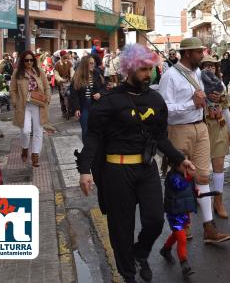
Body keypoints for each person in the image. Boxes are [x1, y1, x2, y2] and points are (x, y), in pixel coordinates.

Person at [77, 43, 195, 283]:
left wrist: (179, 159)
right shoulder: (109, 101)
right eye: (142, 69)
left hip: (146, 169)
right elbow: (93, 137)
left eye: (150, 69)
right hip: (116, 172)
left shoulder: (155, 100)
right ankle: (128, 274)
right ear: (128, 69)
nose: (147, 74)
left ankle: (140, 253)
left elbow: (161, 138)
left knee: (154, 220)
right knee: (122, 228)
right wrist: (84, 170)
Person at [158, 37, 230, 243]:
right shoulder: (170, 77)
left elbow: (202, 99)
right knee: (181, 177)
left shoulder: (198, 73)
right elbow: (165, 111)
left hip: (201, 127)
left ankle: (209, 227)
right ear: (188, 53)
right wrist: (191, 104)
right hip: (179, 130)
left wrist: (211, 100)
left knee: (203, 177)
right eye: (199, 52)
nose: (202, 55)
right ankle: (182, 224)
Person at [199, 56, 230, 219]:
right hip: (202, 129)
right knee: (202, 169)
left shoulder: (221, 86)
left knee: (219, 166)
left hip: (219, 128)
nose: (209, 69)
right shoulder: (196, 84)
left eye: (212, 66)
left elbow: (226, 108)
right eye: (205, 66)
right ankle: (199, 198)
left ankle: (218, 201)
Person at [10, 50, 51, 168]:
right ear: (22, 61)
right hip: (24, 105)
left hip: (39, 104)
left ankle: (35, 155)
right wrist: (14, 101)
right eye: (26, 60)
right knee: (26, 130)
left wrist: (47, 98)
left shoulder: (39, 72)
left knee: (38, 131)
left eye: (31, 60)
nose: (29, 62)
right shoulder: (17, 73)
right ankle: (24, 148)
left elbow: (47, 87)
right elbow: (12, 90)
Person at [158, 163, 197, 276]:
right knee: (182, 239)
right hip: (175, 214)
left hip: (184, 211)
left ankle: (165, 249)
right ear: (174, 164)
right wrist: (190, 177)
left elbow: (189, 190)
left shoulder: (184, 173)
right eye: (183, 164)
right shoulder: (173, 177)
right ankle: (184, 264)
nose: (187, 165)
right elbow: (180, 186)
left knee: (177, 234)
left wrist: (195, 191)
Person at [70, 55, 106, 143]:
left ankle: (96, 150)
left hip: (96, 106)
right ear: (85, 64)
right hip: (84, 107)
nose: (93, 65)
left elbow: (104, 88)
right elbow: (74, 95)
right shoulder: (77, 77)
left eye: (93, 63)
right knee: (85, 130)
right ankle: (87, 151)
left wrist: (100, 94)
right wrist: (76, 109)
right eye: (90, 63)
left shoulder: (97, 74)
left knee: (97, 129)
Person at [54, 51, 74, 119]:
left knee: (70, 96)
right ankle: (64, 112)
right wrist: (61, 80)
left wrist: (71, 77)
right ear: (61, 56)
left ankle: (71, 110)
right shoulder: (57, 64)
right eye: (64, 57)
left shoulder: (69, 62)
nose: (66, 58)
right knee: (62, 98)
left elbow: (72, 71)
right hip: (61, 83)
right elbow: (56, 75)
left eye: (66, 57)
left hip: (69, 82)